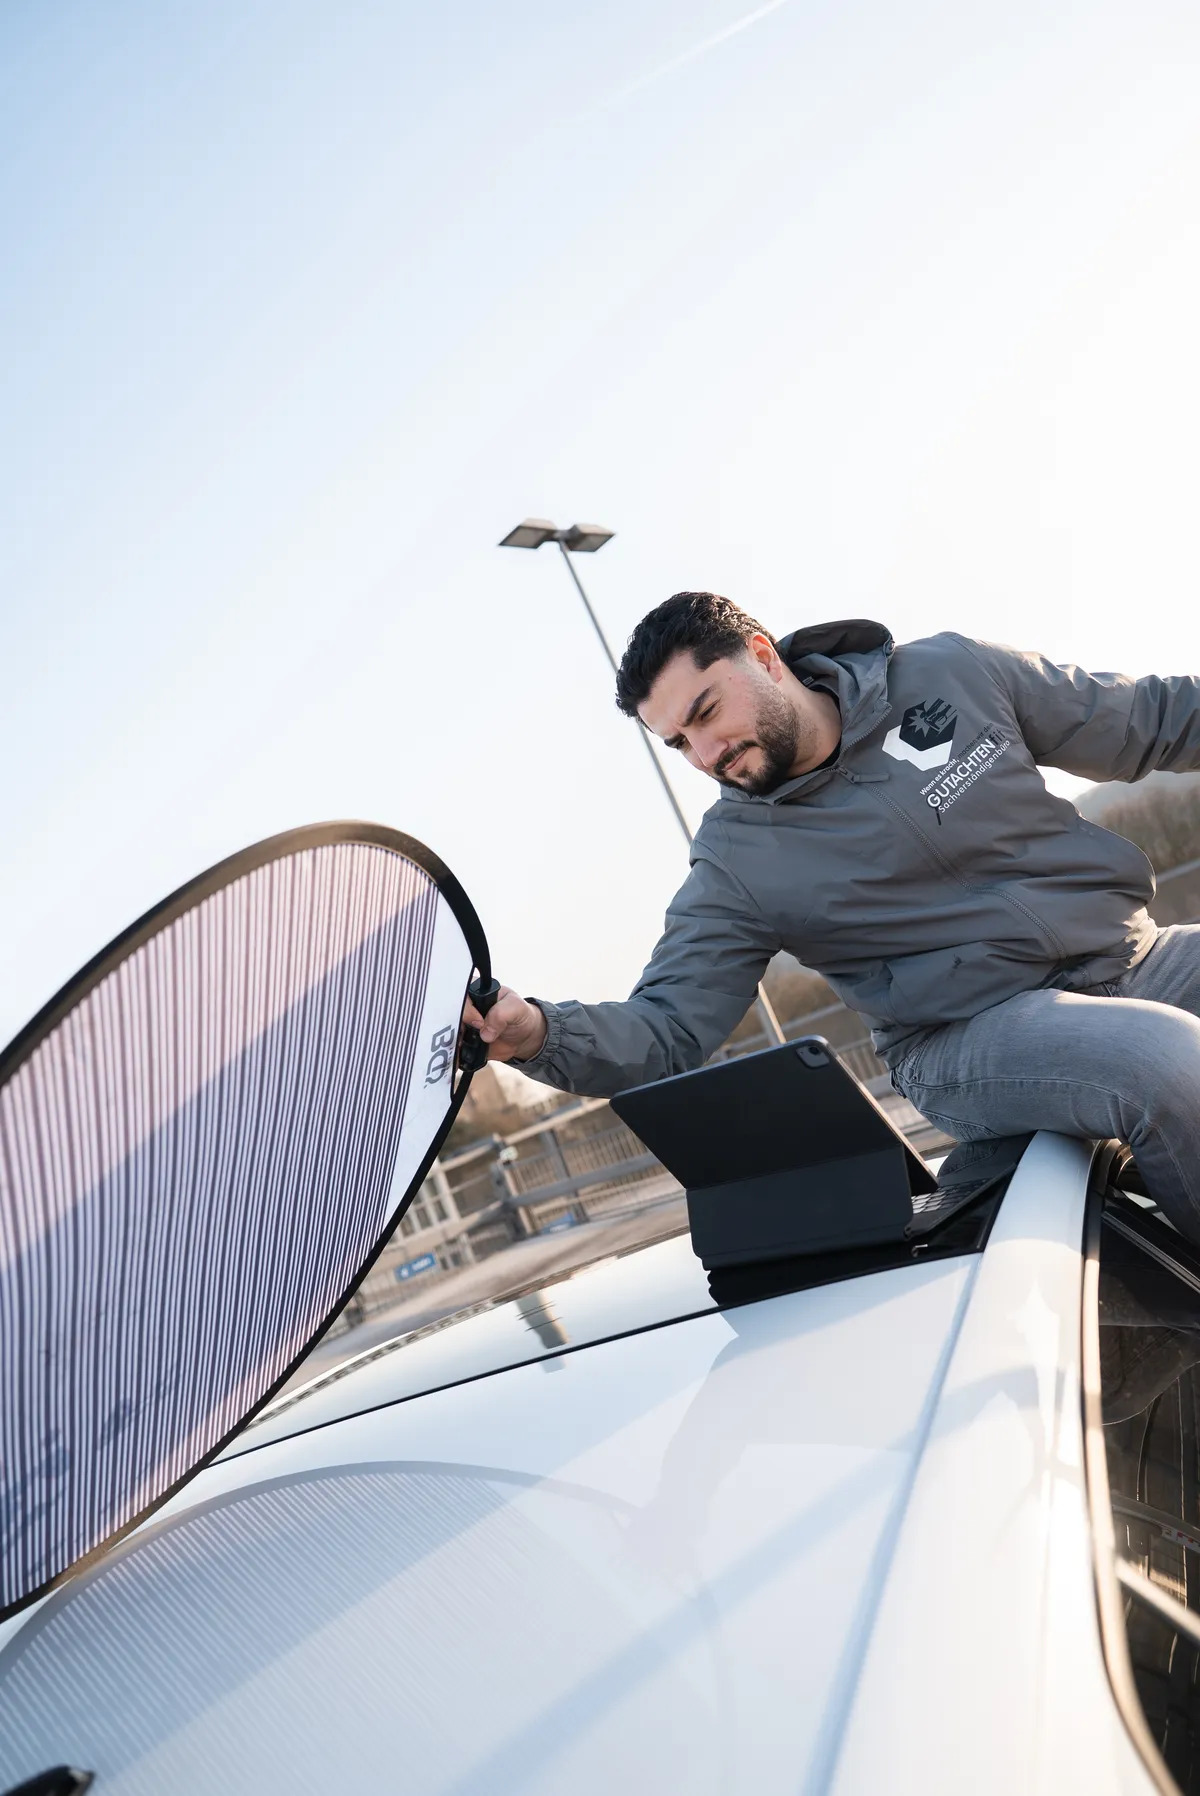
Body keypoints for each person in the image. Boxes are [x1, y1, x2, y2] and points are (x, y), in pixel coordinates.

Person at [463, 592, 1200, 1238]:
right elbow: (667, 1026)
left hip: (1130, 957)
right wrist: (538, 1033)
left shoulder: (953, 673)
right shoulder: (736, 860)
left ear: (764, 656)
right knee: (1164, 1063)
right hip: (967, 1038)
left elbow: (1148, 722)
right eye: (680, 743)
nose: (706, 754)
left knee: (1160, 1037)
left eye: (707, 712)